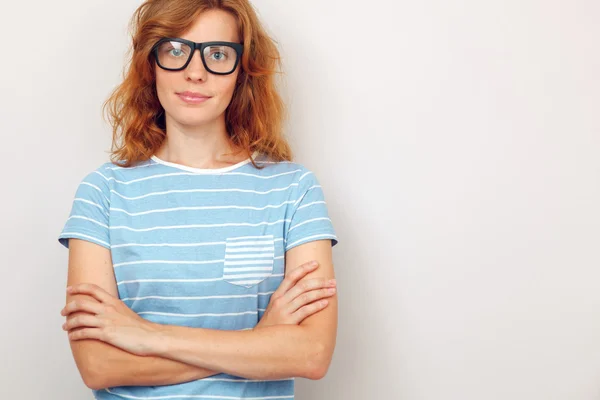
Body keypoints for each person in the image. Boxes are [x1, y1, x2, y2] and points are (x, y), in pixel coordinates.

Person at [57, 0, 339, 399]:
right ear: (150, 63)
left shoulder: (294, 190)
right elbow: (99, 366)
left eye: (218, 55)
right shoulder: (102, 192)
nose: (195, 72)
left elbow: (311, 353)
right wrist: (260, 341)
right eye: (175, 51)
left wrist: (146, 335)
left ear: (243, 72)